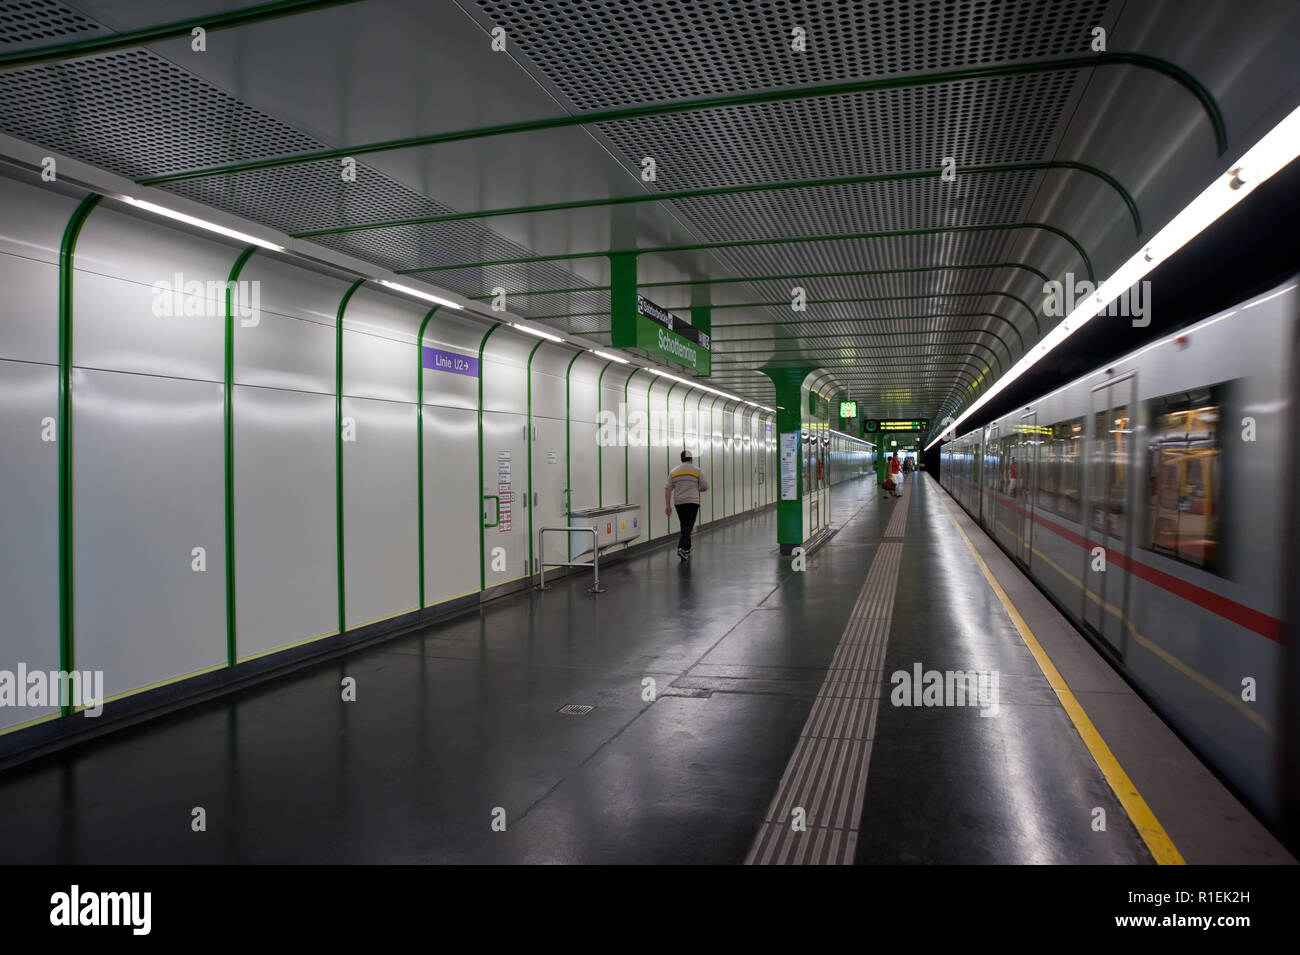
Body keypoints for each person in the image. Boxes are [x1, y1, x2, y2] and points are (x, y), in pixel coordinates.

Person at [665, 450, 709, 561]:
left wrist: (667, 505)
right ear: (691, 459)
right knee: (688, 526)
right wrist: (697, 489)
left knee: (684, 525)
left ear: (681, 459)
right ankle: (681, 548)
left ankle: (687, 548)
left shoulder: (674, 471)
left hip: (679, 503)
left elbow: (668, 488)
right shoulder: (697, 470)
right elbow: (705, 487)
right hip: (692, 502)